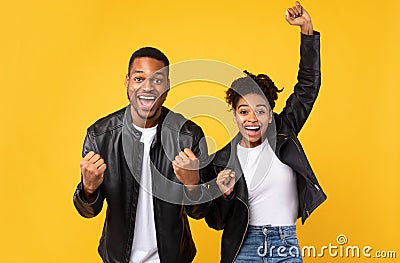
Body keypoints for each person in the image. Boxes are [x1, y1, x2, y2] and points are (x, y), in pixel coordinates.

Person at [205, 2, 327, 262]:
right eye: (244, 111)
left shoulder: (284, 131)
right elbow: (215, 221)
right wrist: (224, 195)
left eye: (260, 111)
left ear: (271, 115)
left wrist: (307, 29)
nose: (252, 119)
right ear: (235, 115)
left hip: (286, 244)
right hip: (243, 248)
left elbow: (308, 86)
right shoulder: (221, 159)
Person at [73, 47, 211, 263]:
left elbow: (200, 211)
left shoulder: (188, 136)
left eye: (157, 81)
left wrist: (193, 184)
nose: (147, 87)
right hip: (118, 258)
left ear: (167, 86)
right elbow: (88, 211)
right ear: (127, 81)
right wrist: (88, 189)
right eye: (139, 78)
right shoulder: (100, 136)